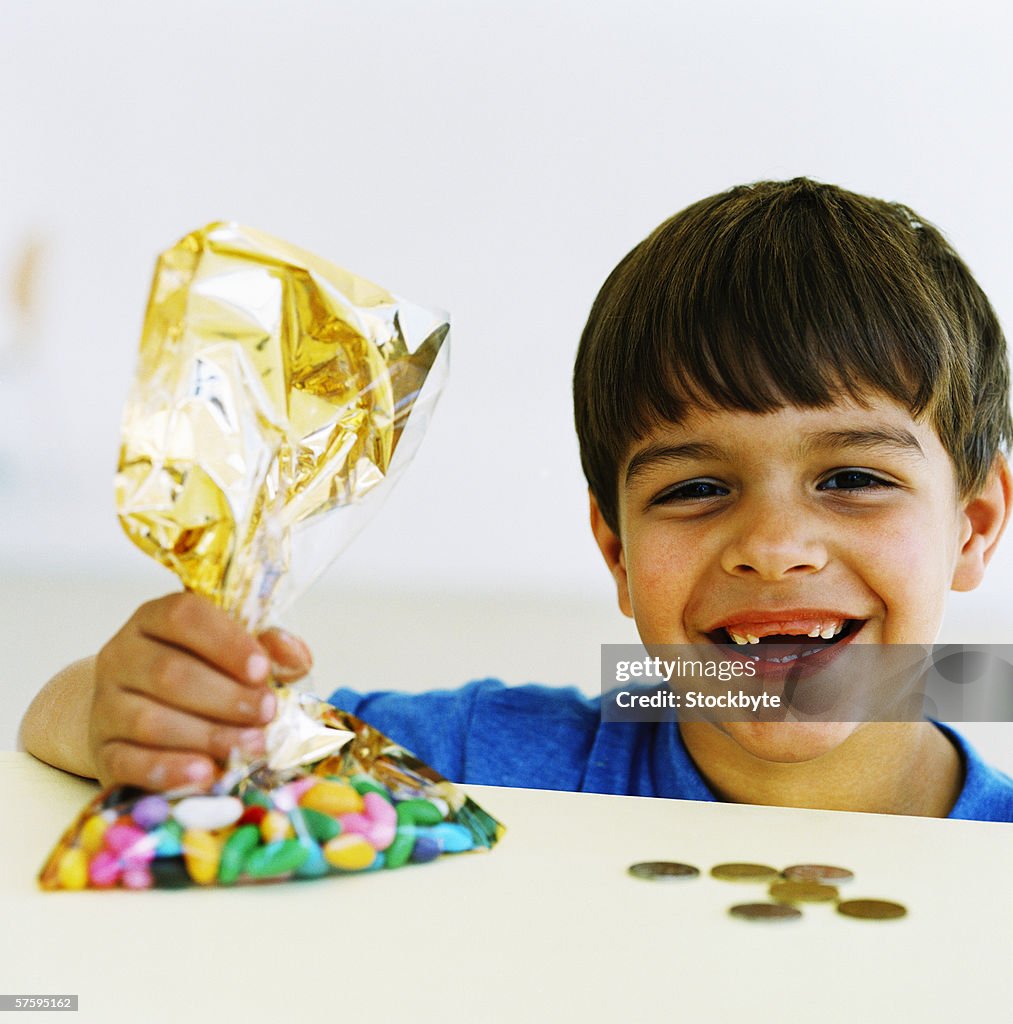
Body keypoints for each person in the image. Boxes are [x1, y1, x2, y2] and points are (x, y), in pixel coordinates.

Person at [18, 178, 1013, 820]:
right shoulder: (488, 764)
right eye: (697, 487)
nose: (772, 546)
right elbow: (53, 718)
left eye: (851, 478)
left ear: (973, 524)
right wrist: (120, 704)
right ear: (617, 554)